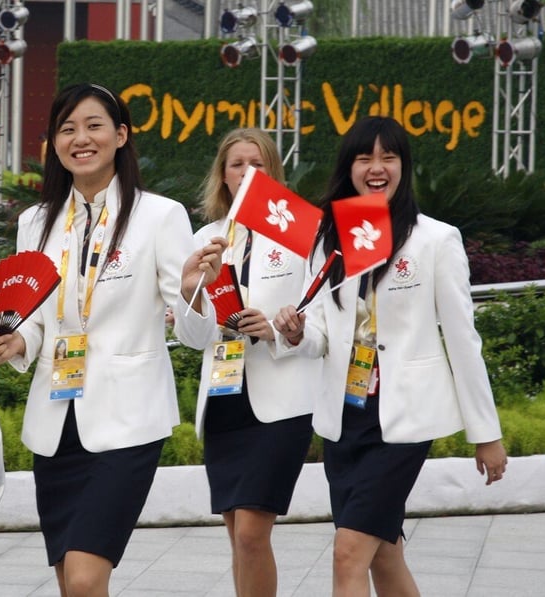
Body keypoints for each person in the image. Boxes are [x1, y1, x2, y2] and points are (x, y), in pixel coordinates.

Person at [0, 82, 226, 596]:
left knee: (88, 577)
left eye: (93, 125)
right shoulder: (35, 222)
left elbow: (198, 335)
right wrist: (18, 342)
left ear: (120, 135)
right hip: (55, 421)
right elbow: (37, 320)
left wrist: (191, 292)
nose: (80, 138)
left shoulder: (160, 215)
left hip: (128, 421)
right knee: (71, 580)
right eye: (66, 129)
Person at [271, 116, 508, 597]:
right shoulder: (329, 239)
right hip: (346, 418)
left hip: (405, 418)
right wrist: (297, 334)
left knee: (348, 553)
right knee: (385, 554)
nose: (376, 168)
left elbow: (463, 341)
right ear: (349, 168)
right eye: (365, 158)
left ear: (404, 166)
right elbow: (322, 333)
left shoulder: (435, 240)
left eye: (388, 157)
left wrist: (487, 434)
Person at [191, 128, 318, 596]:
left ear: (273, 172)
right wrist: (191, 295)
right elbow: (192, 335)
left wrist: (283, 333)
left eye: (258, 164)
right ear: (222, 175)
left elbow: (321, 323)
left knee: (251, 533)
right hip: (225, 395)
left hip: (280, 401)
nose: (246, 173)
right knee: (237, 538)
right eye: (236, 164)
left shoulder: (301, 231)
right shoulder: (206, 237)